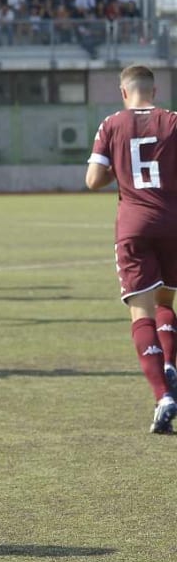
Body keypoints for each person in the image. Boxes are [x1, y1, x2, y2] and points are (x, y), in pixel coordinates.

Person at [86, 64, 177, 434]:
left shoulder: (111, 124)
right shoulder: (173, 121)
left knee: (140, 311)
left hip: (134, 225)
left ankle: (163, 395)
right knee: (166, 304)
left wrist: (119, 171)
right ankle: (170, 364)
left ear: (124, 93)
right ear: (154, 92)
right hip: (173, 222)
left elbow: (93, 180)